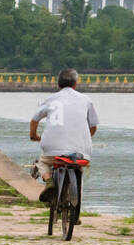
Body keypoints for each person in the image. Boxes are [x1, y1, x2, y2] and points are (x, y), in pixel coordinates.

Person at [29, 68, 98, 203]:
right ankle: (75, 207)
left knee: (43, 162)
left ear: (58, 84)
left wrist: (34, 136)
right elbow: (93, 126)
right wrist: (85, 138)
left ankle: (49, 181)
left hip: (52, 149)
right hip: (80, 151)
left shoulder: (50, 99)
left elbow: (35, 120)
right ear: (75, 84)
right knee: (78, 172)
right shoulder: (86, 100)